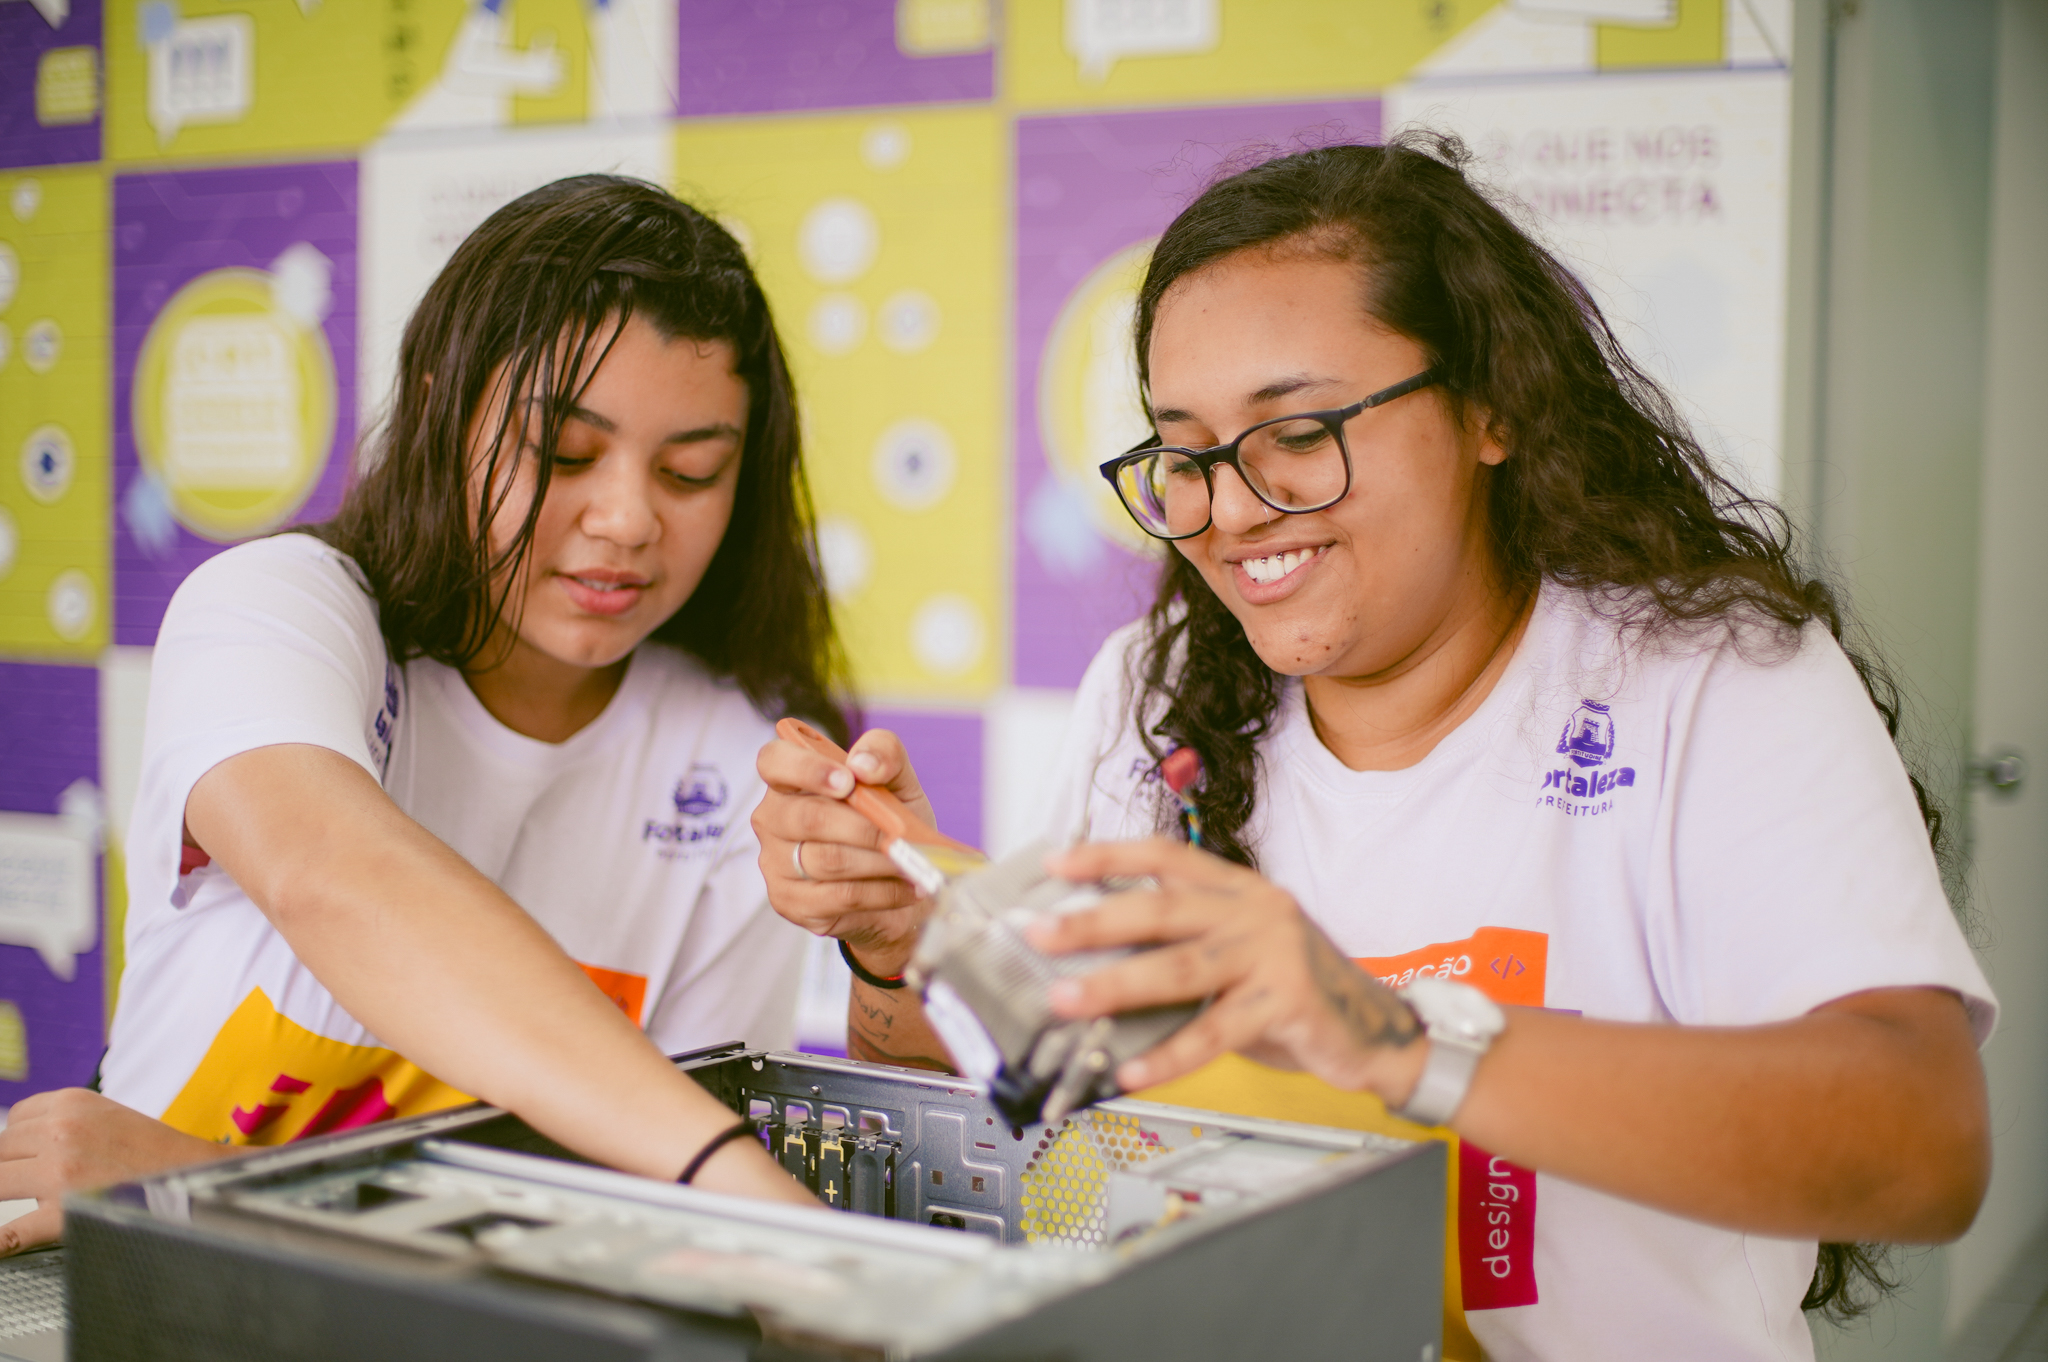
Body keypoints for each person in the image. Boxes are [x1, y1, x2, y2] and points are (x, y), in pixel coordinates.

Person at [752, 136, 1995, 1361]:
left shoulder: (1707, 678)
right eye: (1185, 452)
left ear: (1490, 404)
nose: (1232, 509)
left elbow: (1921, 1149)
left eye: (1296, 433)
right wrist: (897, 948)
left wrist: (1389, 1037)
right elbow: (1017, 1119)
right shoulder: (1149, 693)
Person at [0, 175, 843, 1251]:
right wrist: (748, 1190)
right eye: (563, 454)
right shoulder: (281, 608)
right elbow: (333, 878)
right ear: (446, 409)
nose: (628, 518)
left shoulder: (741, 760)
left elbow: (644, 1247)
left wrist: (215, 1194)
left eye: (691, 472)